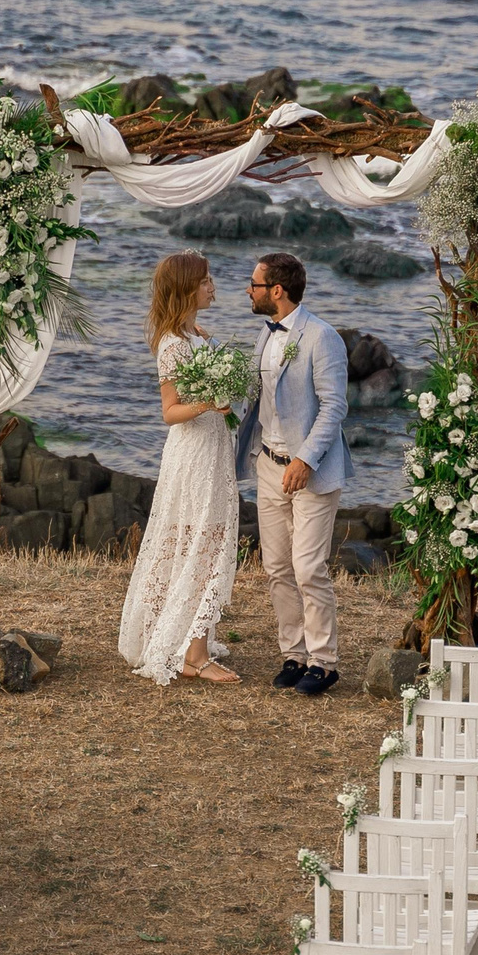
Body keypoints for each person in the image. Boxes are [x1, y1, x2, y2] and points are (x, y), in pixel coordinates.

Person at [116, 251, 243, 685]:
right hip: (193, 453)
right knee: (200, 543)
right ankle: (194, 655)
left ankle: (194, 641)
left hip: (213, 447)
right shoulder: (172, 345)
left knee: (205, 541)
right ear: (187, 288)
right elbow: (169, 411)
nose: (213, 287)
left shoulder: (195, 335)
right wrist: (212, 402)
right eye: (205, 281)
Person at [231, 251, 350, 696]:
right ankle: (294, 654)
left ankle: (324, 662)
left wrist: (305, 459)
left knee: (307, 567)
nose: (249, 290)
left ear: (275, 291)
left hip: (311, 472)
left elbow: (335, 406)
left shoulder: (322, 337)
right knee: (277, 565)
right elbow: (258, 398)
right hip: (268, 465)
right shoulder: (265, 335)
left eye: (254, 283)